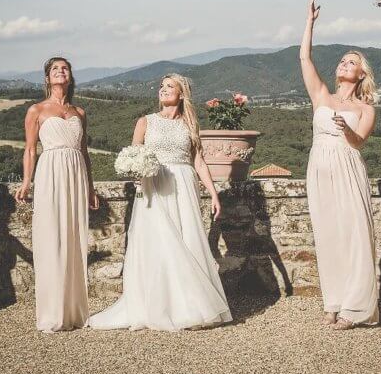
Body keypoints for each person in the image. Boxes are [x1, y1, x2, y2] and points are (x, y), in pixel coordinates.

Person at [88, 74, 232, 331]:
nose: (163, 90)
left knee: (186, 241)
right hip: (153, 187)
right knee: (157, 242)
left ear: (181, 94)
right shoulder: (145, 122)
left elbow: (198, 160)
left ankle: (188, 305)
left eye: (169, 86)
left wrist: (213, 192)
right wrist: (136, 172)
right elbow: (134, 155)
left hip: (183, 186)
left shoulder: (190, 124)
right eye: (161, 86)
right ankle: (156, 305)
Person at [300, 0, 379, 330]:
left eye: (352, 62)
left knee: (354, 234)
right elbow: (304, 57)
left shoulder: (366, 109)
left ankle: (357, 308)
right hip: (319, 167)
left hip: (347, 165)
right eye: (342, 61)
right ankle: (334, 300)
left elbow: (359, 141)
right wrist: (310, 22)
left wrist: (346, 128)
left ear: (361, 74)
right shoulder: (321, 95)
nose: (345, 65)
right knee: (328, 234)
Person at [16, 57, 99, 333]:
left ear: (70, 76)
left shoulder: (80, 112)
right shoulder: (36, 110)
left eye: (65, 68)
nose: (60, 72)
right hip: (50, 174)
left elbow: (85, 153)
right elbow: (30, 149)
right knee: (51, 237)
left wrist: (90, 187)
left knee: (74, 238)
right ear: (47, 78)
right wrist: (27, 181)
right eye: (55, 69)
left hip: (76, 176)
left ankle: (74, 311)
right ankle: (52, 313)